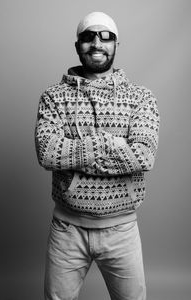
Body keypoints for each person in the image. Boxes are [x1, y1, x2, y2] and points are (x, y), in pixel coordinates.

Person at [35, 11, 160, 300]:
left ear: (117, 44)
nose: (97, 43)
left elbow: (143, 157)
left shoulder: (141, 97)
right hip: (67, 230)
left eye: (106, 37)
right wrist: (111, 143)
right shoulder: (54, 97)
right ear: (77, 44)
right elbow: (48, 153)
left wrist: (77, 152)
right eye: (88, 36)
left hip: (122, 230)